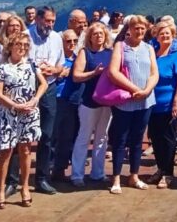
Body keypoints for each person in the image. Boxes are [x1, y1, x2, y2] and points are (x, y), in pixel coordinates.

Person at [0, 31, 46, 208]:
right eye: (18, 45)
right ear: (10, 47)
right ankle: (0, 189)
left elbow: (44, 83)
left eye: (25, 45)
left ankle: (24, 187)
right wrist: (15, 106)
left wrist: (35, 99)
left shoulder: (31, 64)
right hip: (9, 113)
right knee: (6, 152)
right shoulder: (1, 68)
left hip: (29, 112)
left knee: (26, 151)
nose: (22, 48)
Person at [107, 14, 159, 194]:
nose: (139, 31)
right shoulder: (120, 47)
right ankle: (115, 178)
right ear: (129, 29)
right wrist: (133, 89)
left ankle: (134, 175)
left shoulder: (149, 48)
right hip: (125, 102)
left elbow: (154, 73)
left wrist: (146, 91)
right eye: (136, 28)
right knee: (120, 140)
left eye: (142, 28)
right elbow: (113, 72)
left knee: (138, 140)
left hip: (146, 102)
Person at [23, 6, 64, 195]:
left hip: (48, 88)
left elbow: (60, 65)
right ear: (38, 19)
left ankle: (41, 179)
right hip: (26, 89)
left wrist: (53, 70)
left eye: (53, 21)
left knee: (47, 136)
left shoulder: (56, 38)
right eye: (47, 21)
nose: (50, 25)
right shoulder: (25, 36)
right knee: (20, 136)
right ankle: (13, 180)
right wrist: (37, 70)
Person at [69, 22, 112, 186]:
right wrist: (94, 73)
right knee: (84, 137)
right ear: (90, 37)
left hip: (107, 101)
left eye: (101, 33)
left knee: (102, 137)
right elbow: (76, 76)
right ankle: (77, 174)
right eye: (95, 34)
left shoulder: (111, 52)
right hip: (88, 100)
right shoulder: (85, 53)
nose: (99, 36)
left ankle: (98, 173)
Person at [147, 22, 177, 188]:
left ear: (173, 36)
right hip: (152, 104)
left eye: (168, 34)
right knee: (156, 138)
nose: (165, 36)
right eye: (161, 33)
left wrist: (176, 101)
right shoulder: (153, 54)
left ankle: (168, 173)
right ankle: (160, 168)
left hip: (171, 104)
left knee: (168, 139)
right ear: (156, 36)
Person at [51, 29, 82, 183]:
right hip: (55, 101)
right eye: (68, 41)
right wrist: (58, 75)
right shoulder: (56, 60)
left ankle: (59, 169)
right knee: (51, 136)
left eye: (75, 41)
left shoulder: (79, 60)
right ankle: (46, 169)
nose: (72, 44)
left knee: (67, 137)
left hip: (72, 102)